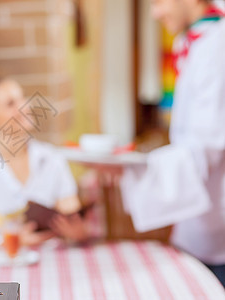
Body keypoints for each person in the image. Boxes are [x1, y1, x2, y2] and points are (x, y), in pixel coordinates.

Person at [120, 0, 225, 286]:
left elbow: (207, 145)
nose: (154, 13)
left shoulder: (217, 49)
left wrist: (135, 171)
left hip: (217, 221)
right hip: (199, 220)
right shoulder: (194, 41)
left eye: (158, 2)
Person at [0, 78, 89, 246]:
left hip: (52, 259)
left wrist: (78, 232)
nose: (25, 107)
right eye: (10, 104)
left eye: (22, 98)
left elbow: (74, 218)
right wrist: (7, 240)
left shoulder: (52, 158)